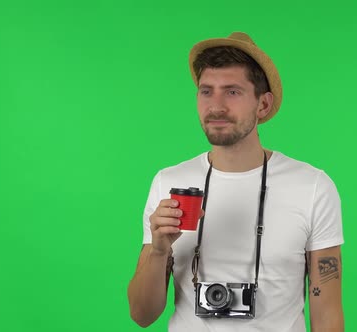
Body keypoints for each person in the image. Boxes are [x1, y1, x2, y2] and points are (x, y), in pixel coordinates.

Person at [127, 32, 344, 332]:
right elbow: (142, 315)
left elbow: (328, 316)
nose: (215, 106)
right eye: (206, 91)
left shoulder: (312, 187)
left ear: (263, 105)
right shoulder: (170, 183)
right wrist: (159, 250)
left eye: (232, 92)